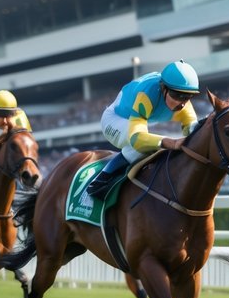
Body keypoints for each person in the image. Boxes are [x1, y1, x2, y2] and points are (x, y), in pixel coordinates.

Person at [85, 59, 200, 200]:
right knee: (141, 147)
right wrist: (170, 142)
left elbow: (193, 131)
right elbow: (136, 139)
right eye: (176, 95)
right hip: (115, 120)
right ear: (164, 88)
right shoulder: (146, 94)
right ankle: (100, 181)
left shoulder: (181, 102)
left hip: (136, 120)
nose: (181, 103)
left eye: (187, 97)